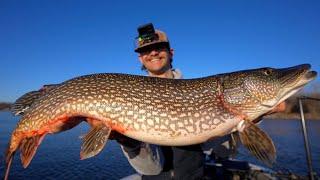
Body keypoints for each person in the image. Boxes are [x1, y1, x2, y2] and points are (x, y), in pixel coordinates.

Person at [112, 23, 287, 180]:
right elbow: (150, 168)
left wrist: (249, 119)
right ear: (140, 58)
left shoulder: (200, 92)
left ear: (171, 52)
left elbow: (220, 150)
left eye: (160, 46)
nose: (153, 52)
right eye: (146, 50)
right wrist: (128, 142)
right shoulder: (129, 96)